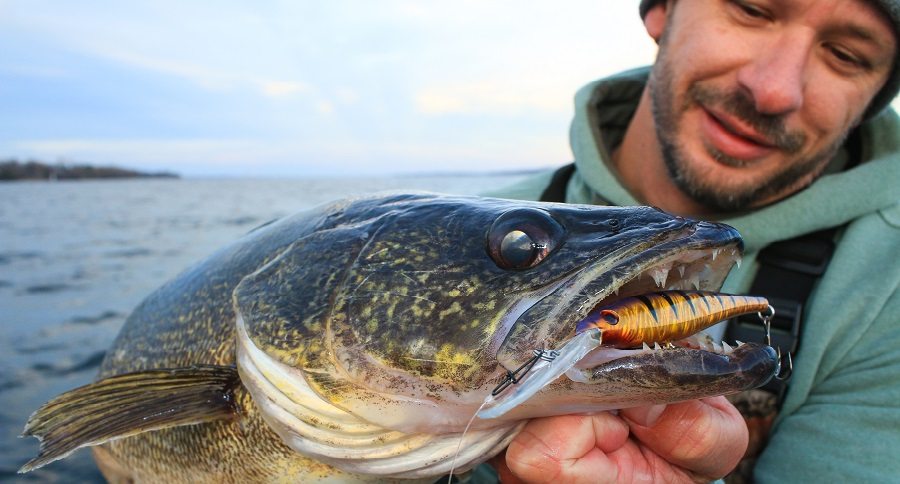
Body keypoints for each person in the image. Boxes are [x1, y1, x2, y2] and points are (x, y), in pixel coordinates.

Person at [482, 0, 900, 482]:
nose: (772, 90)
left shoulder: (888, 287)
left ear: (872, 100)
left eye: (845, 55)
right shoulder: (468, 219)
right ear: (661, 10)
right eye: (752, 9)